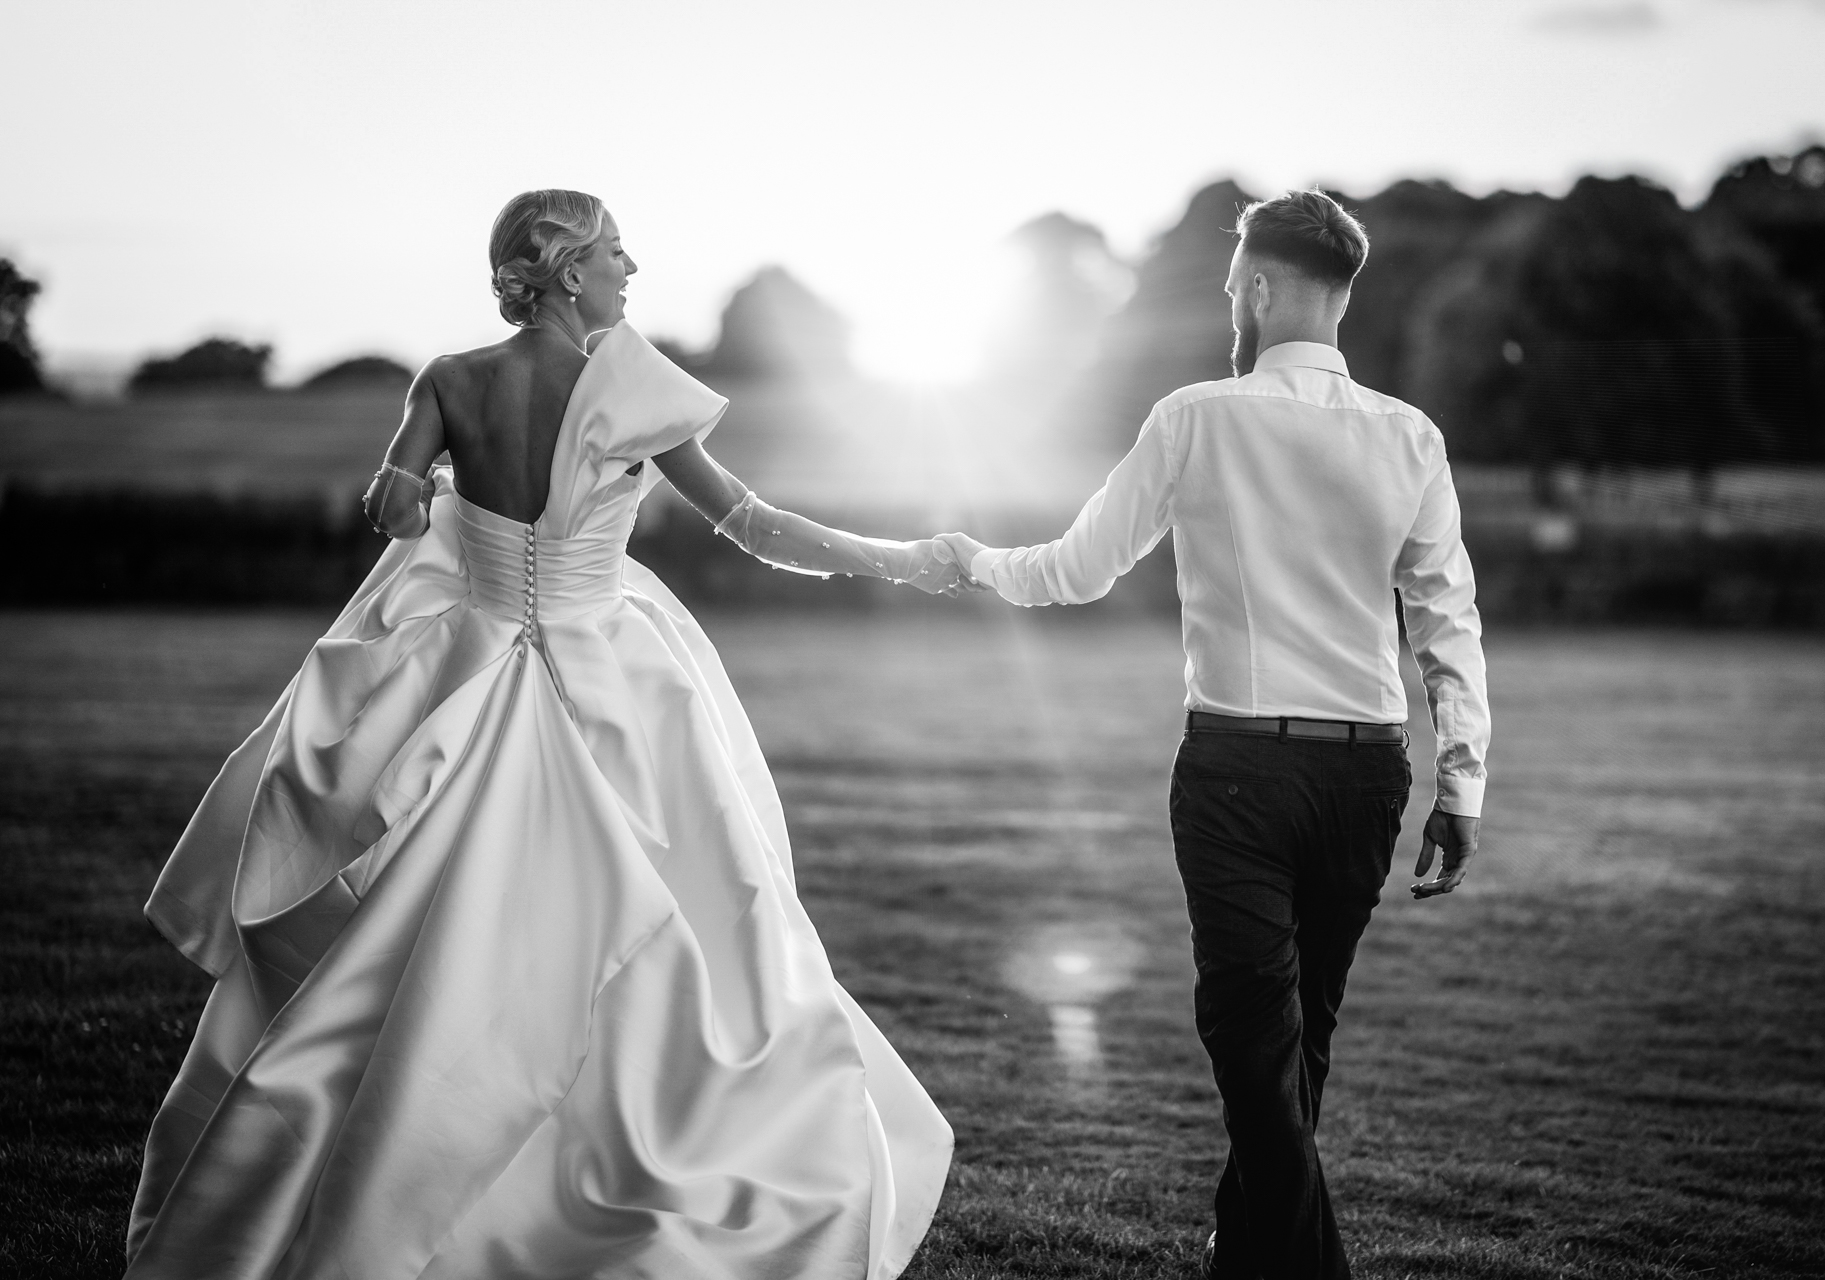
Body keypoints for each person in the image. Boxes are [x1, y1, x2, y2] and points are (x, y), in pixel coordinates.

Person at [125, 188, 972, 1279]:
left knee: (429, 947)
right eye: (616, 251)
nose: (632, 267)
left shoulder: (450, 380)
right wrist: (899, 560)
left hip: (462, 685)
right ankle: (621, 1181)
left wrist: (404, 490)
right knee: (676, 931)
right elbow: (753, 525)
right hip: (608, 684)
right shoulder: (632, 386)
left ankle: (401, 1178)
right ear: (568, 273)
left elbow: (394, 502)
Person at [940, 190, 1491, 1279]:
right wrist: (1461, 784)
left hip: (1239, 766)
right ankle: (1248, 1255)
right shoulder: (1410, 436)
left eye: (1234, 276)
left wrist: (978, 562)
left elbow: (1077, 568)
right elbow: (1446, 620)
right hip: (1368, 773)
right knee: (1292, 1042)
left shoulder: (1194, 415)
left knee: (1257, 1041)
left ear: (1258, 286)